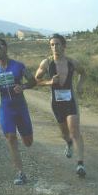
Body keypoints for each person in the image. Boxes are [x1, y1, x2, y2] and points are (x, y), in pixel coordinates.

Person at [0, 38, 36, 185]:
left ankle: (25, 136)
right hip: (6, 108)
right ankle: (20, 173)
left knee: (28, 142)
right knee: (11, 137)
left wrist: (23, 87)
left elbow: (33, 81)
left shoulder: (19, 66)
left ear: (5, 48)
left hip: (20, 107)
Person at [35, 33, 86, 177]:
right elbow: (36, 80)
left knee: (75, 130)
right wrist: (49, 82)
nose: (55, 47)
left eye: (57, 44)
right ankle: (68, 143)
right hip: (56, 103)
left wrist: (80, 85)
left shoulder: (72, 62)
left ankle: (80, 164)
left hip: (70, 100)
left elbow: (83, 73)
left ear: (64, 46)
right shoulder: (46, 63)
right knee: (65, 133)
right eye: (52, 44)